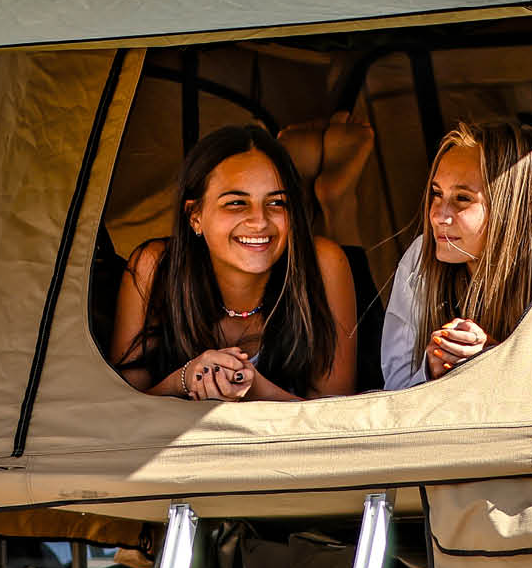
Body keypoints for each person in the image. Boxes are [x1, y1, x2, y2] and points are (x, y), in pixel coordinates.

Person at [109, 124, 359, 401]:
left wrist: (253, 388)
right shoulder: (156, 267)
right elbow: (122, 410)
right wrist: (186, 379)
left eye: (276, 203)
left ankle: (334, 198)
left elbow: (338, 418)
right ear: (195, 216)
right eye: (236, 203)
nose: (260, 221)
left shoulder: (323, 262)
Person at [380, 119, 532, 390]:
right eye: (436, 194)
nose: (436, 215)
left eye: (462, 198)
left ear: (514, 210)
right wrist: (432, 369)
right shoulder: (421, 258)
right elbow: (395, 389)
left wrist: (494, 357)